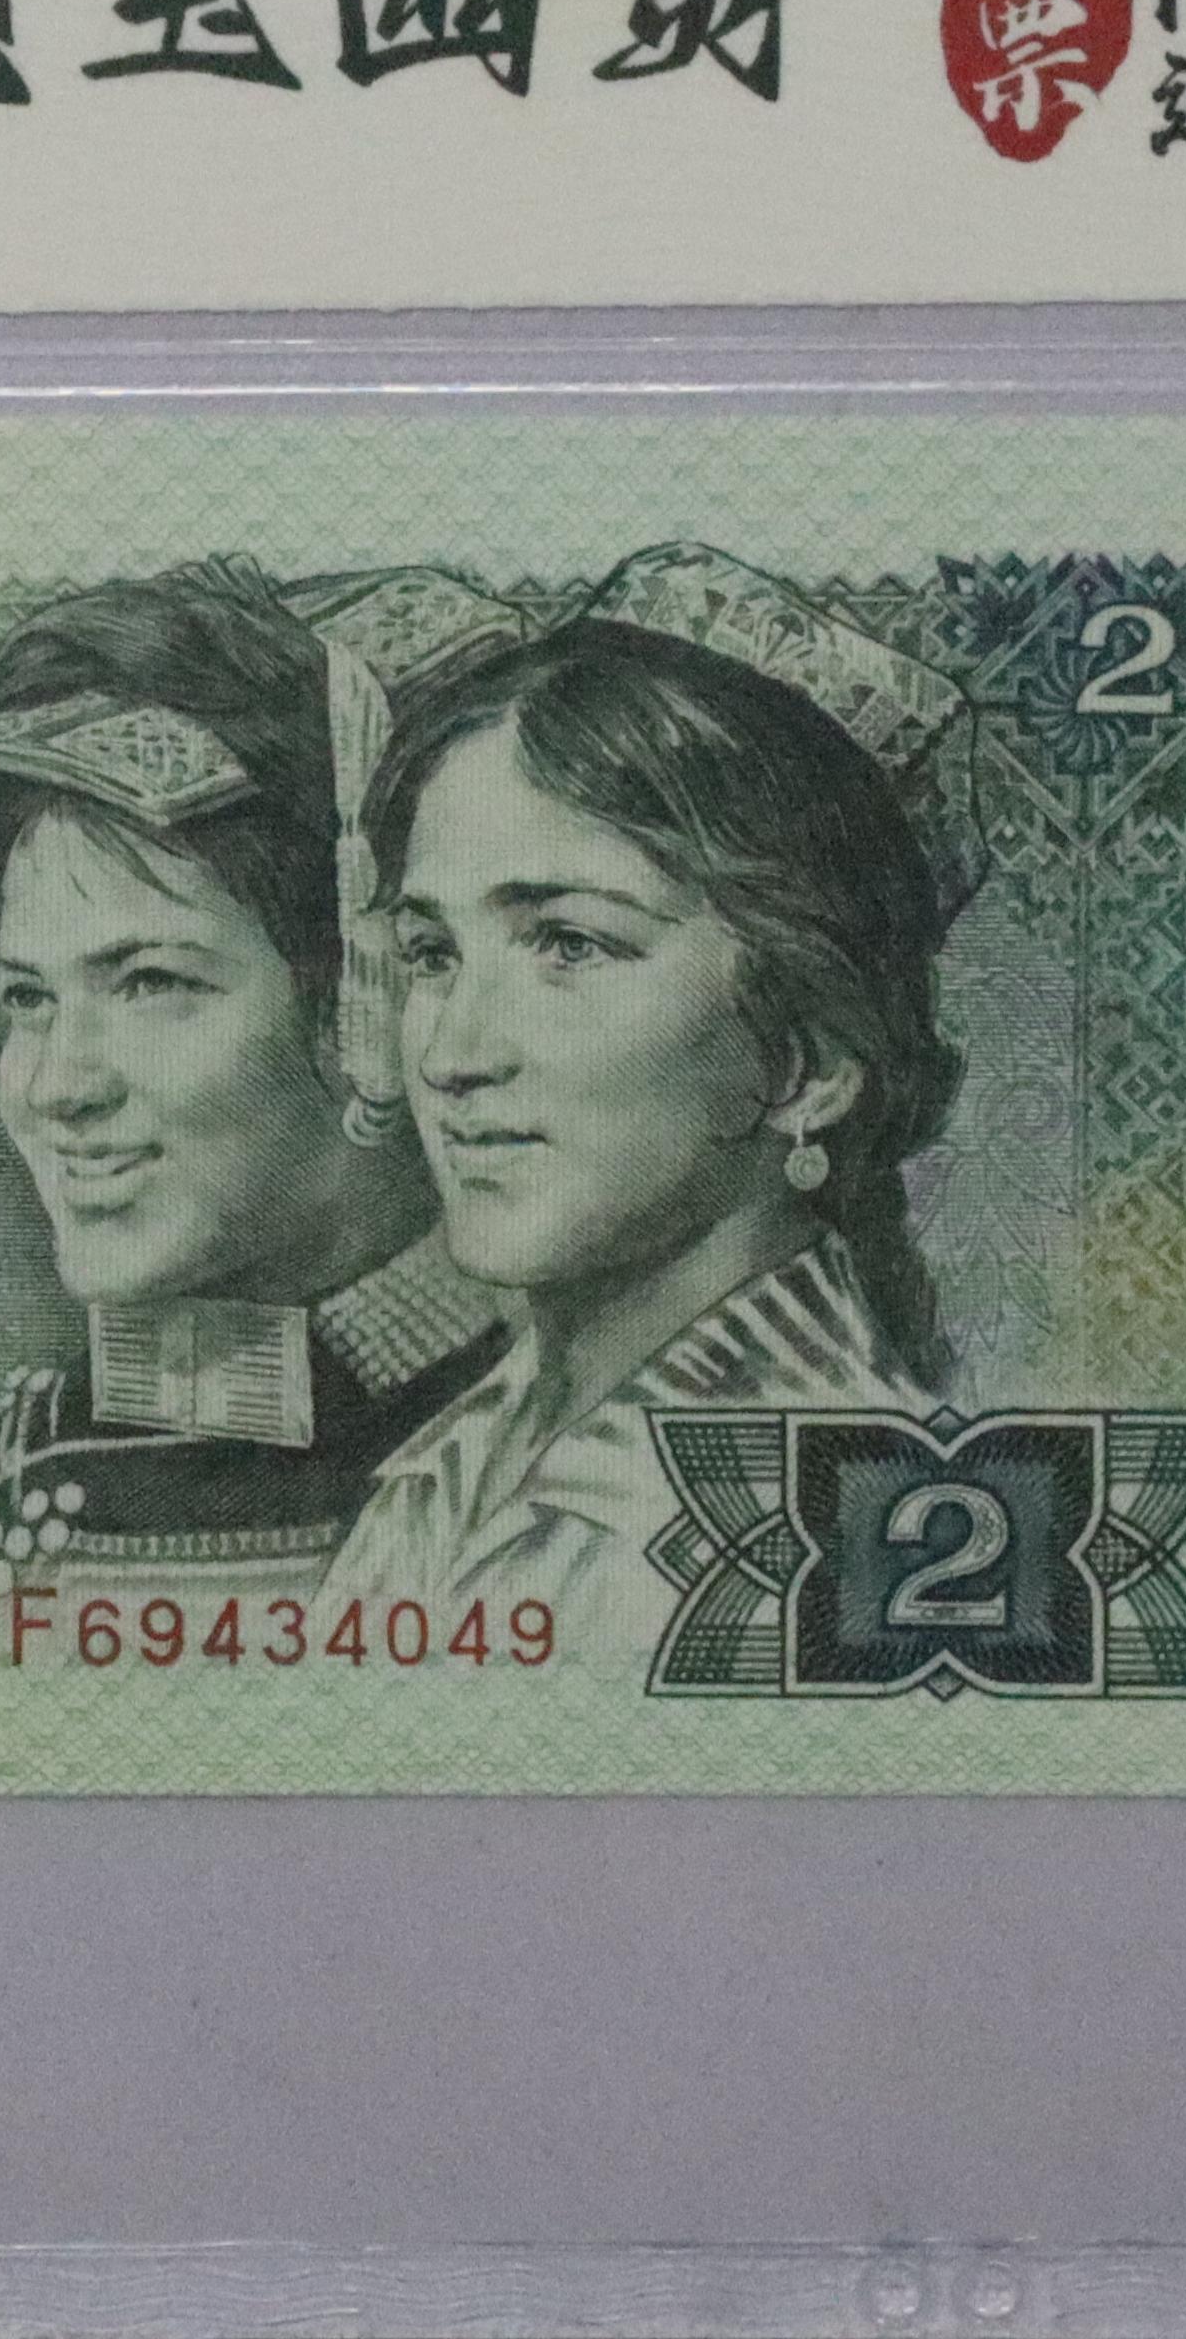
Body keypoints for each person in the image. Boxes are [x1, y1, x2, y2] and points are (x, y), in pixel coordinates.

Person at [0, 559, 529, 1668]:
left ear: (366, 1005)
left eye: (148, 983)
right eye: (27, 999)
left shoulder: (591, 1455)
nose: (56, 1085)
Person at [321, 546, 967, 1634]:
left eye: (568, 944)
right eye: (432, 954)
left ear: (806, 1061)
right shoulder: (442, 1472)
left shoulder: (846, 1529)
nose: (449, 1055)